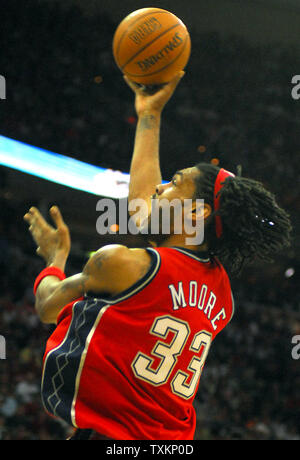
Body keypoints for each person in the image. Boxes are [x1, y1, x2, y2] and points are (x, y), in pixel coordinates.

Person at [24, 72, 292, 440]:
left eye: (174, 183)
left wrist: (55, 259)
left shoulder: (121, 263)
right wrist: (149, 115)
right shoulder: (223, 297)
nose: (160, 188)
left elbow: (46, 307)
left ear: (197, 213)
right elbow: (145, 212)